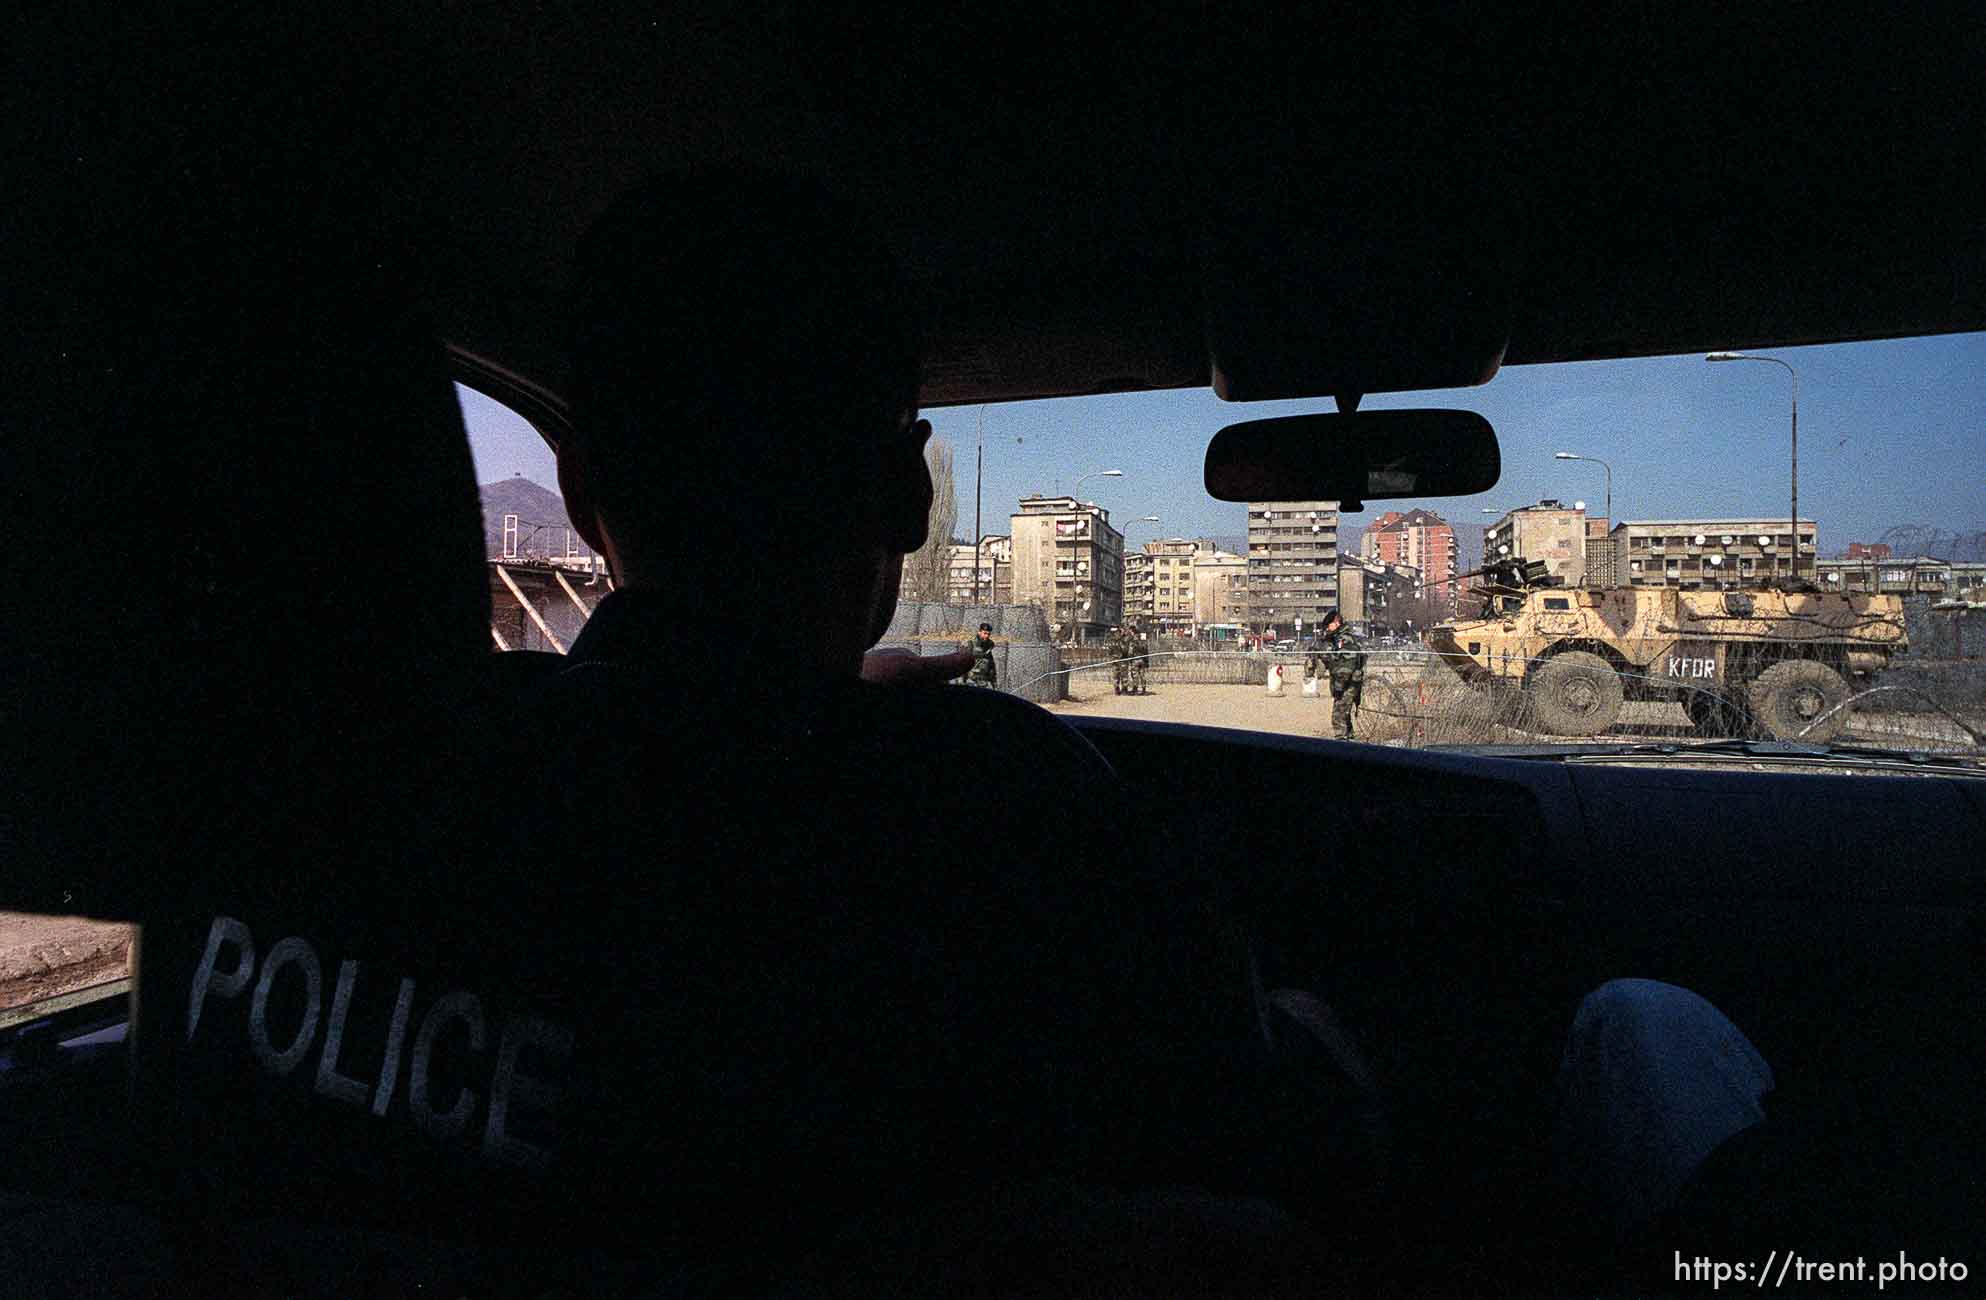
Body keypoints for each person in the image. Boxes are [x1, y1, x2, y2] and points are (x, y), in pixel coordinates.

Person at [1307, 608, 1368, 740]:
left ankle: (1342, 745)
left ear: (1336, 622)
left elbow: (1346, 666)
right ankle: (1349, 739)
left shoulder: (1344, 639)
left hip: (1348, 684)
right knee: (1344, 715)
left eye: (1329, 625)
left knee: (1338, 717)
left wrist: (1339, 685)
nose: (1328, 628)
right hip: (1346, 683)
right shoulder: (1337, 638)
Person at [966, 620, 998, 687]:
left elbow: (991, 666)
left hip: (983, 681)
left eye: (988, 634)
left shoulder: (988, 646)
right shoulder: (970, 644)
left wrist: (994, 683)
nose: (986, 636)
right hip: (971, 681)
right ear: (979, 632)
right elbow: (962, 663)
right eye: (985, 633)